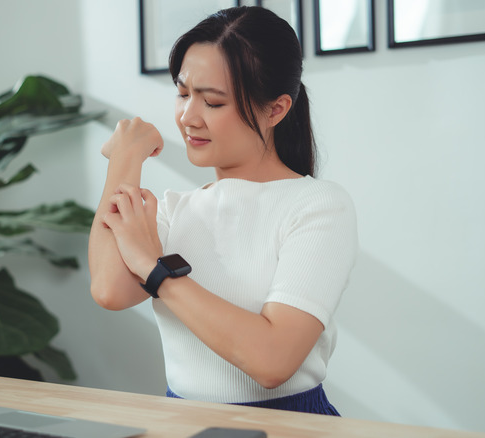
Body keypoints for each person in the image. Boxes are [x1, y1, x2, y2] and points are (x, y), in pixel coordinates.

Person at [87, 6, 357, 415]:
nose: (187, 117)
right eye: (182, 93)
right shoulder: (176, 209)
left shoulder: (318, 206)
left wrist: (155, 269)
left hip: (288, 425)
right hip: (184, 422)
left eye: (212, 102)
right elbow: (109, 289)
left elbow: (273, 360)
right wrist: (125, 158)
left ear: (276, 109)